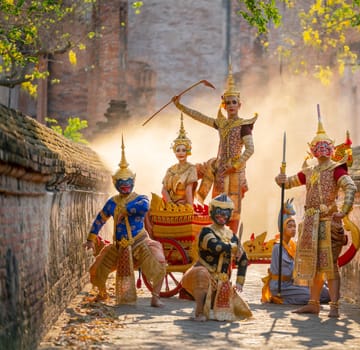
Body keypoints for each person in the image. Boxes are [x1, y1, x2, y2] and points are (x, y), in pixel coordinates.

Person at [275, 115, 357, 318]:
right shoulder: (309, 171)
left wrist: (344, 210)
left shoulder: (336, 169)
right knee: (313, 265)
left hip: (328, 222)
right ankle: (313, 303)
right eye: (317, 146)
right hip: (311, 224)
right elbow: (290, 182)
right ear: (312, 149)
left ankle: (335, 306)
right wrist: (281, 179)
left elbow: (351, 187)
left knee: (330, 265)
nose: (321, 149)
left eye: (324, 145)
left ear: (330, 147)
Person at [172, 64, 257, 234]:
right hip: (220, 170)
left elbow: (250, 149)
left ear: (239, 105)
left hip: (234, 172)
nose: (231, 105)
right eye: (228, 103)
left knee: (233, 211)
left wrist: (236, 165)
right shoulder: (221, 123)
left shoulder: (244, 126)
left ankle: (232, 242)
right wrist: (180, 106)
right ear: (224, 106)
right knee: (217, 208)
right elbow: (200, 117)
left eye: (234, 102)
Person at [84, 136, 166, 307]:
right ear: (115, 183)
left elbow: (144, 206)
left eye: (128, 182)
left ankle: (156, 297)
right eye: (121, 182)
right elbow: (100, 219)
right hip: (119, 245)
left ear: (133, 182)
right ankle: (102, 293)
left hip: (139, 242)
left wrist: (126, 211)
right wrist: (91, 239)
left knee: (159, 263)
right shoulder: (112, 202)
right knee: (97, 268)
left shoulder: (139, 198)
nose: (125, 185)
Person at [180, 193, 252, 321]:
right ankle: (199, 312)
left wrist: (240, 282)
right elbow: (216, 246)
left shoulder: (231, 235)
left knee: (243, 312)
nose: (223, 215)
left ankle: (215, 303)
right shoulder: (206, 231)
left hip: (221, 283)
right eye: (219, 211)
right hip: (201, 277)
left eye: (226, 212)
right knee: (201, 274)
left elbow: (244, 258)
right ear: (212, 211)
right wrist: (234, 247)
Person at [261, 198, 330, 305]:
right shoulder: (278, 247)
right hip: (282, 285)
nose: (293, 229)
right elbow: (290, 270)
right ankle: (282, 299)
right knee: (312, 296)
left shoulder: (292, 245)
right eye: (290, 227)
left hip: (293, 282)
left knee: (325, 293)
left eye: (294, 226)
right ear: (283, 228)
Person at [161, 114, 198, 204]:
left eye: (183, 150)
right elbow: (163, 190)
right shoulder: (170, 170)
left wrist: (189, 208)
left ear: (188, 151)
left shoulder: (191, 168)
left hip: (183, 204)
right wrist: (170, 204)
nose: (180, 153)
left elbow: (189, 189)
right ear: (174, 152)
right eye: (178, 150)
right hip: (169, 204)